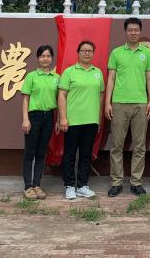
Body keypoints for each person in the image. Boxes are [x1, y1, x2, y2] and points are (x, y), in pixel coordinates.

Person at [105, 17, 150, 197]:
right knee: (116, 145)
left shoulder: (146, 53)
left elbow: (149, 78)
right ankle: (116, 182)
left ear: (140, 32)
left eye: (136, 30)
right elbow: (111, 78)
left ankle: (136, 182)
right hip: (119, 103)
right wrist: (108, 102)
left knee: (139, 146)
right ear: (126, 32)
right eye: (130, 30)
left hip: (140, 103)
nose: (133, 33)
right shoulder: (117, 52)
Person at [58, 40, 105, 200]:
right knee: (70, 155)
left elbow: (101, 96)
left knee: (86, 155)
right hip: (72, 121)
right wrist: (63, 118)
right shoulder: (69, 72)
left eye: (90, 51)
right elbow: (62, 95)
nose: (87, 53)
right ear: (78, 53)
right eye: (84, 50)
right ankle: (69, 186)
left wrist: (98, 119)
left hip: (91, 121)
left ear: (93, 53)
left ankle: (82, 185)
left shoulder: (97, 73)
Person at [20, 44, 59, 200]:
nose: (45, 59)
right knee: (30, 152)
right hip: (33, 117)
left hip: (49, 116)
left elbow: (59, 100)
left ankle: (37, 184)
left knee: (41, 152)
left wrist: (58, 119)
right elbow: (25, 99)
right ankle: (28, 186)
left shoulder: (56, 78)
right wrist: (25, 119)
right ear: (37, 58)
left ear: (52, 58)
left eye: (48, 56)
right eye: (42, 56)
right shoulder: (31, 76)